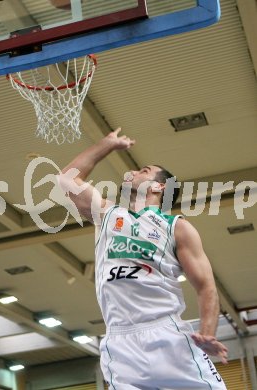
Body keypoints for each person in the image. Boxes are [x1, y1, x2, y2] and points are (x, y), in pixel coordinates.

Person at [60, 128, 228, 389]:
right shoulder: (107, 215)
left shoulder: (177, 227)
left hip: (166, 335)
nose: (134, 173)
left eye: (144, 170)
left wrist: (207, 334)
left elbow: (206, 286)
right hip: (120, 343)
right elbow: (67, 179)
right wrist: (106, 144)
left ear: (159, 186)